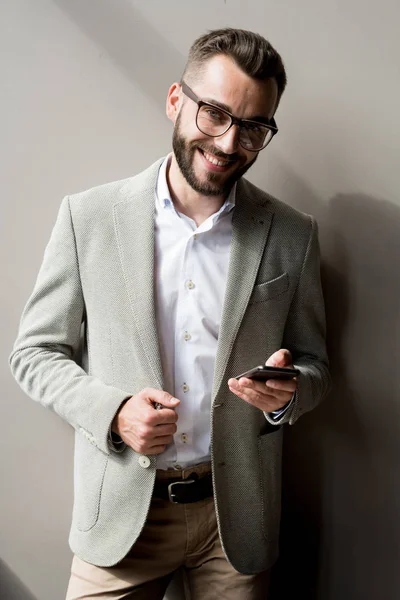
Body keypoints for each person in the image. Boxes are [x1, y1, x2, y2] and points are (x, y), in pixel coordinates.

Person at [10, 28, 330, 600]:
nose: (229, 142)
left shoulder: (292, 235)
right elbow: (34, 353)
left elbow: (315, 366)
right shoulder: (89, 218)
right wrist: (114, 413)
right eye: (214, 113)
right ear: (175, 100)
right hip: (121, 521)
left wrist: (288, 394)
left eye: (253, 127)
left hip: (236, 519)